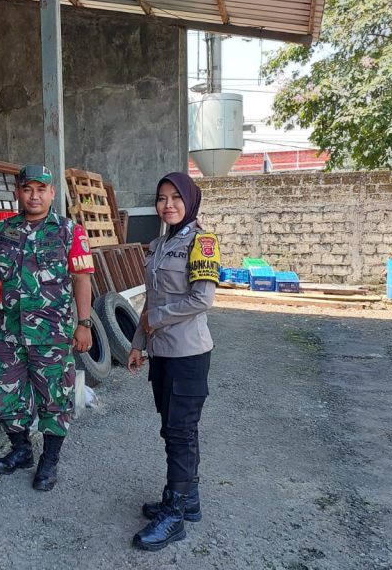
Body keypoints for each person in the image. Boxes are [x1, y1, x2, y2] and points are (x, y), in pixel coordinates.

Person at [0, 164, 94, 492]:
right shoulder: (2, 232)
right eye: (28, 189)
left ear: (52, 193)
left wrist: (84, 323)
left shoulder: (70, 232)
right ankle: (22, 450)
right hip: (10, 332)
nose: (34, 195)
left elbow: (82, 279)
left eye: (41, 189)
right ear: (19, 193)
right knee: (5, 395)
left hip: (53, 335)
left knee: (55, 397)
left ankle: (50, 460)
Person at [126, 171, 219, 551]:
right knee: (173, 429)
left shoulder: (203, 242)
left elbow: (202, 299)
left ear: (190, 200)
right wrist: (137, 343)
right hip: (162, 354)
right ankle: (187, 498)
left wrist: (155, 321)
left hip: (188, 354)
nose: (168, 205)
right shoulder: (158, 244)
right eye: (162, 198)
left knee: (180, 433)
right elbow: (150, 299)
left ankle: (175, 515)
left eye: (176, 198)